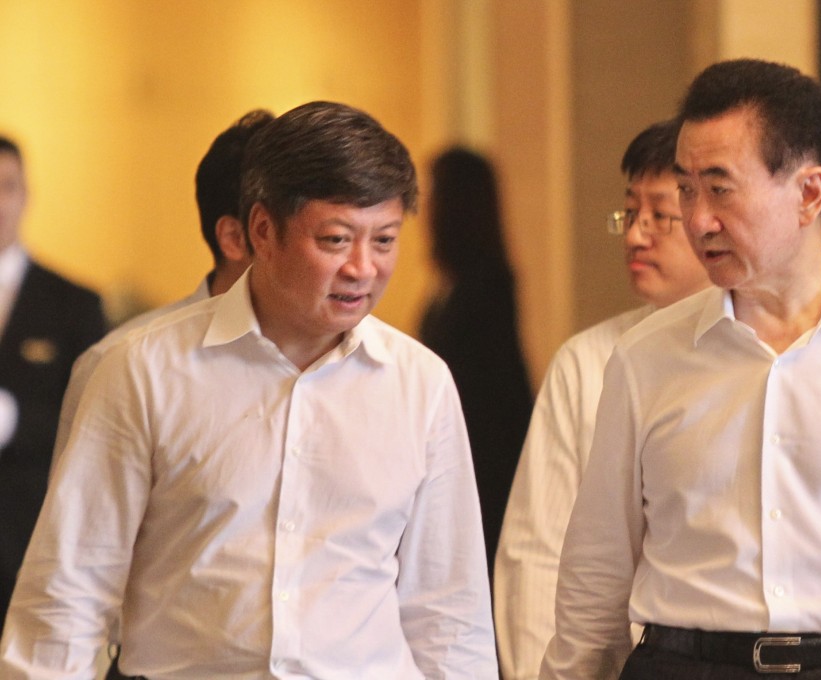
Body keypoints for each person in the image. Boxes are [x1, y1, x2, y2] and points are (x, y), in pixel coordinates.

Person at [539, 59, 821, 680]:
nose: (698, 218)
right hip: (683, 663)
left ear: (809, 193)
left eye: (720, 187)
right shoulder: (647, 358)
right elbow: (596, 575)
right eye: (686, 187)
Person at [0, 101, 497, 679]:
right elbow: (69, 592)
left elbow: (448, 612)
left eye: (384, 241)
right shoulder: (143, 370)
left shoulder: (421, 384)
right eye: (336, 240)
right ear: (262, 230)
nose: (363, 268)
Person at [493, 118, 711, 680]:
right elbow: (538, 555)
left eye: (660, 216)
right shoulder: (589, 362)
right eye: (631, 213)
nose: (637, 235)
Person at [54, 108, 274, 465]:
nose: (355, 266)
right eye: (332, 238)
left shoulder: (375, 365)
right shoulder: (125, 366)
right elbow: (86, 520)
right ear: (235, 237)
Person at [0, 135, 107, 637]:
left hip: (30, 541)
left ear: (25, 195)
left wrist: (12, 419)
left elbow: (94, 425)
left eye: (6, 187)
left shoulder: (74, 305)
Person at [419, 147, 534, 575]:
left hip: (480, 467)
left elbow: (495, 396)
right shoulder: (451, 286)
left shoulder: (486, 287)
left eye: (432, 192)